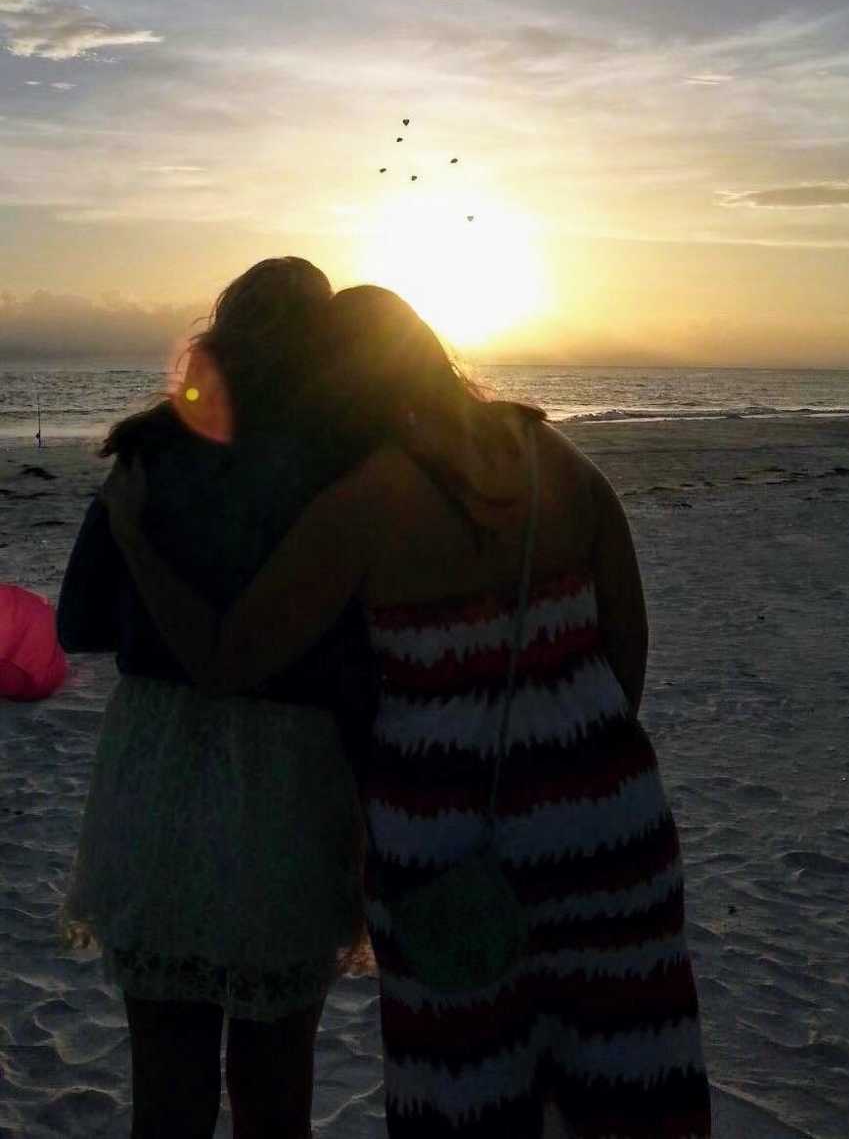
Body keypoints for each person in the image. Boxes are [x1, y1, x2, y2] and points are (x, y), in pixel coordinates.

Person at [105, 284, 712, 1139]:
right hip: (612, 826)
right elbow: (627, 640)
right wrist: (568, 770)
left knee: (465, 1092)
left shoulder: (364, 504)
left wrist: (134, 537)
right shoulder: (555, 458)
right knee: (634, 1088)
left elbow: (223, 657)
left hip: (448, 850)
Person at [58, 258, 378, 1139]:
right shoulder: (343, 461)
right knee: (278, 1087)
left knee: (167, 1081)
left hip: (160, 759)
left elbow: (77, 620)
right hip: (293, 770)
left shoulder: (153, 444)